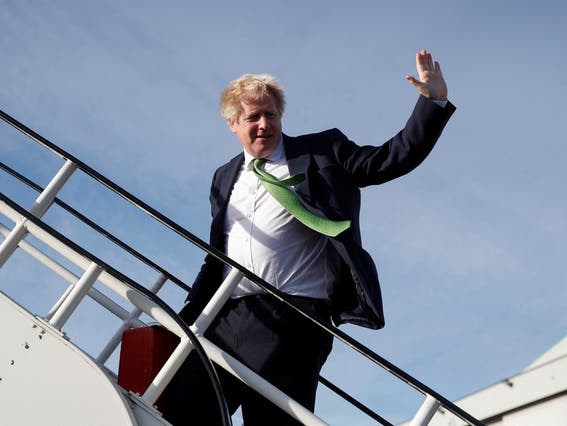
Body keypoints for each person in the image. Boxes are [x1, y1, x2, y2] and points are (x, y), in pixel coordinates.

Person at [162, 50, 455, 425]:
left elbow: (390, 159)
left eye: (271, 114)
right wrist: (189, 312)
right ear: (233, 124)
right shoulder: (223, 177)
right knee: (180, 410)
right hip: (225, 316)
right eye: (253, 117)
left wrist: (432, 102)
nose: (264, 124)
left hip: (293, 319)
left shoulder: (323, 152)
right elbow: (217, 252)